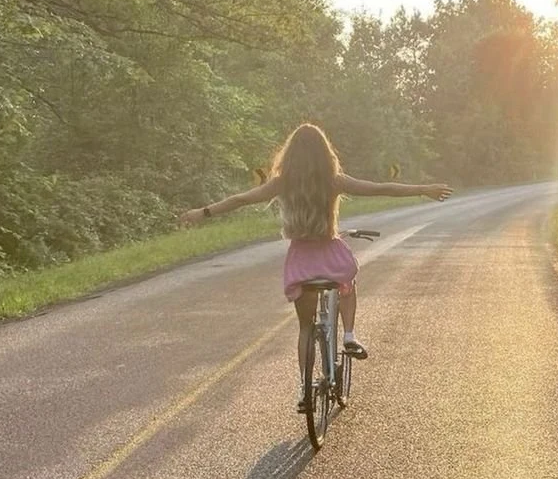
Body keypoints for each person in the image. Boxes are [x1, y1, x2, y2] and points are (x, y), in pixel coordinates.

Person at [180, 123, 452, 411]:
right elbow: (381, 188)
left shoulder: (282, 183)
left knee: (305, 328)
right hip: (330, 254)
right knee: (349, 281)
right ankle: (348, 335)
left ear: (290, 155)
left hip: (301, 261)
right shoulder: (334, 180)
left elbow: (241, 199)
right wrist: (424, 189)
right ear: (325, 153)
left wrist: (203, 212)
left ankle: (304, 389)